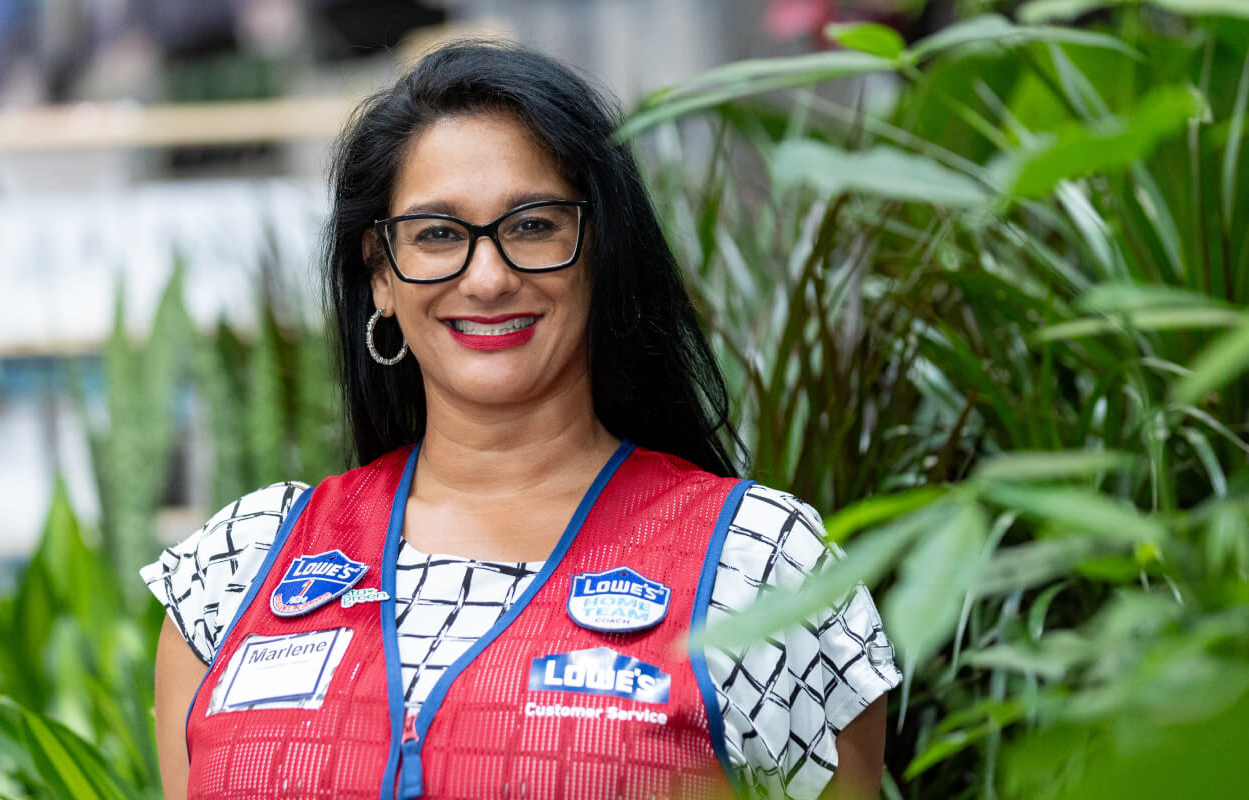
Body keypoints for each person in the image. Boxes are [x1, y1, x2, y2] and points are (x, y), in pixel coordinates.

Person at [144, 40, 901, 800]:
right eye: (438, 234)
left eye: (534, 225)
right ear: (379, 272)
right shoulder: (238, 571)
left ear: (599, 249)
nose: (488, 277)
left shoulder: (760, 569)